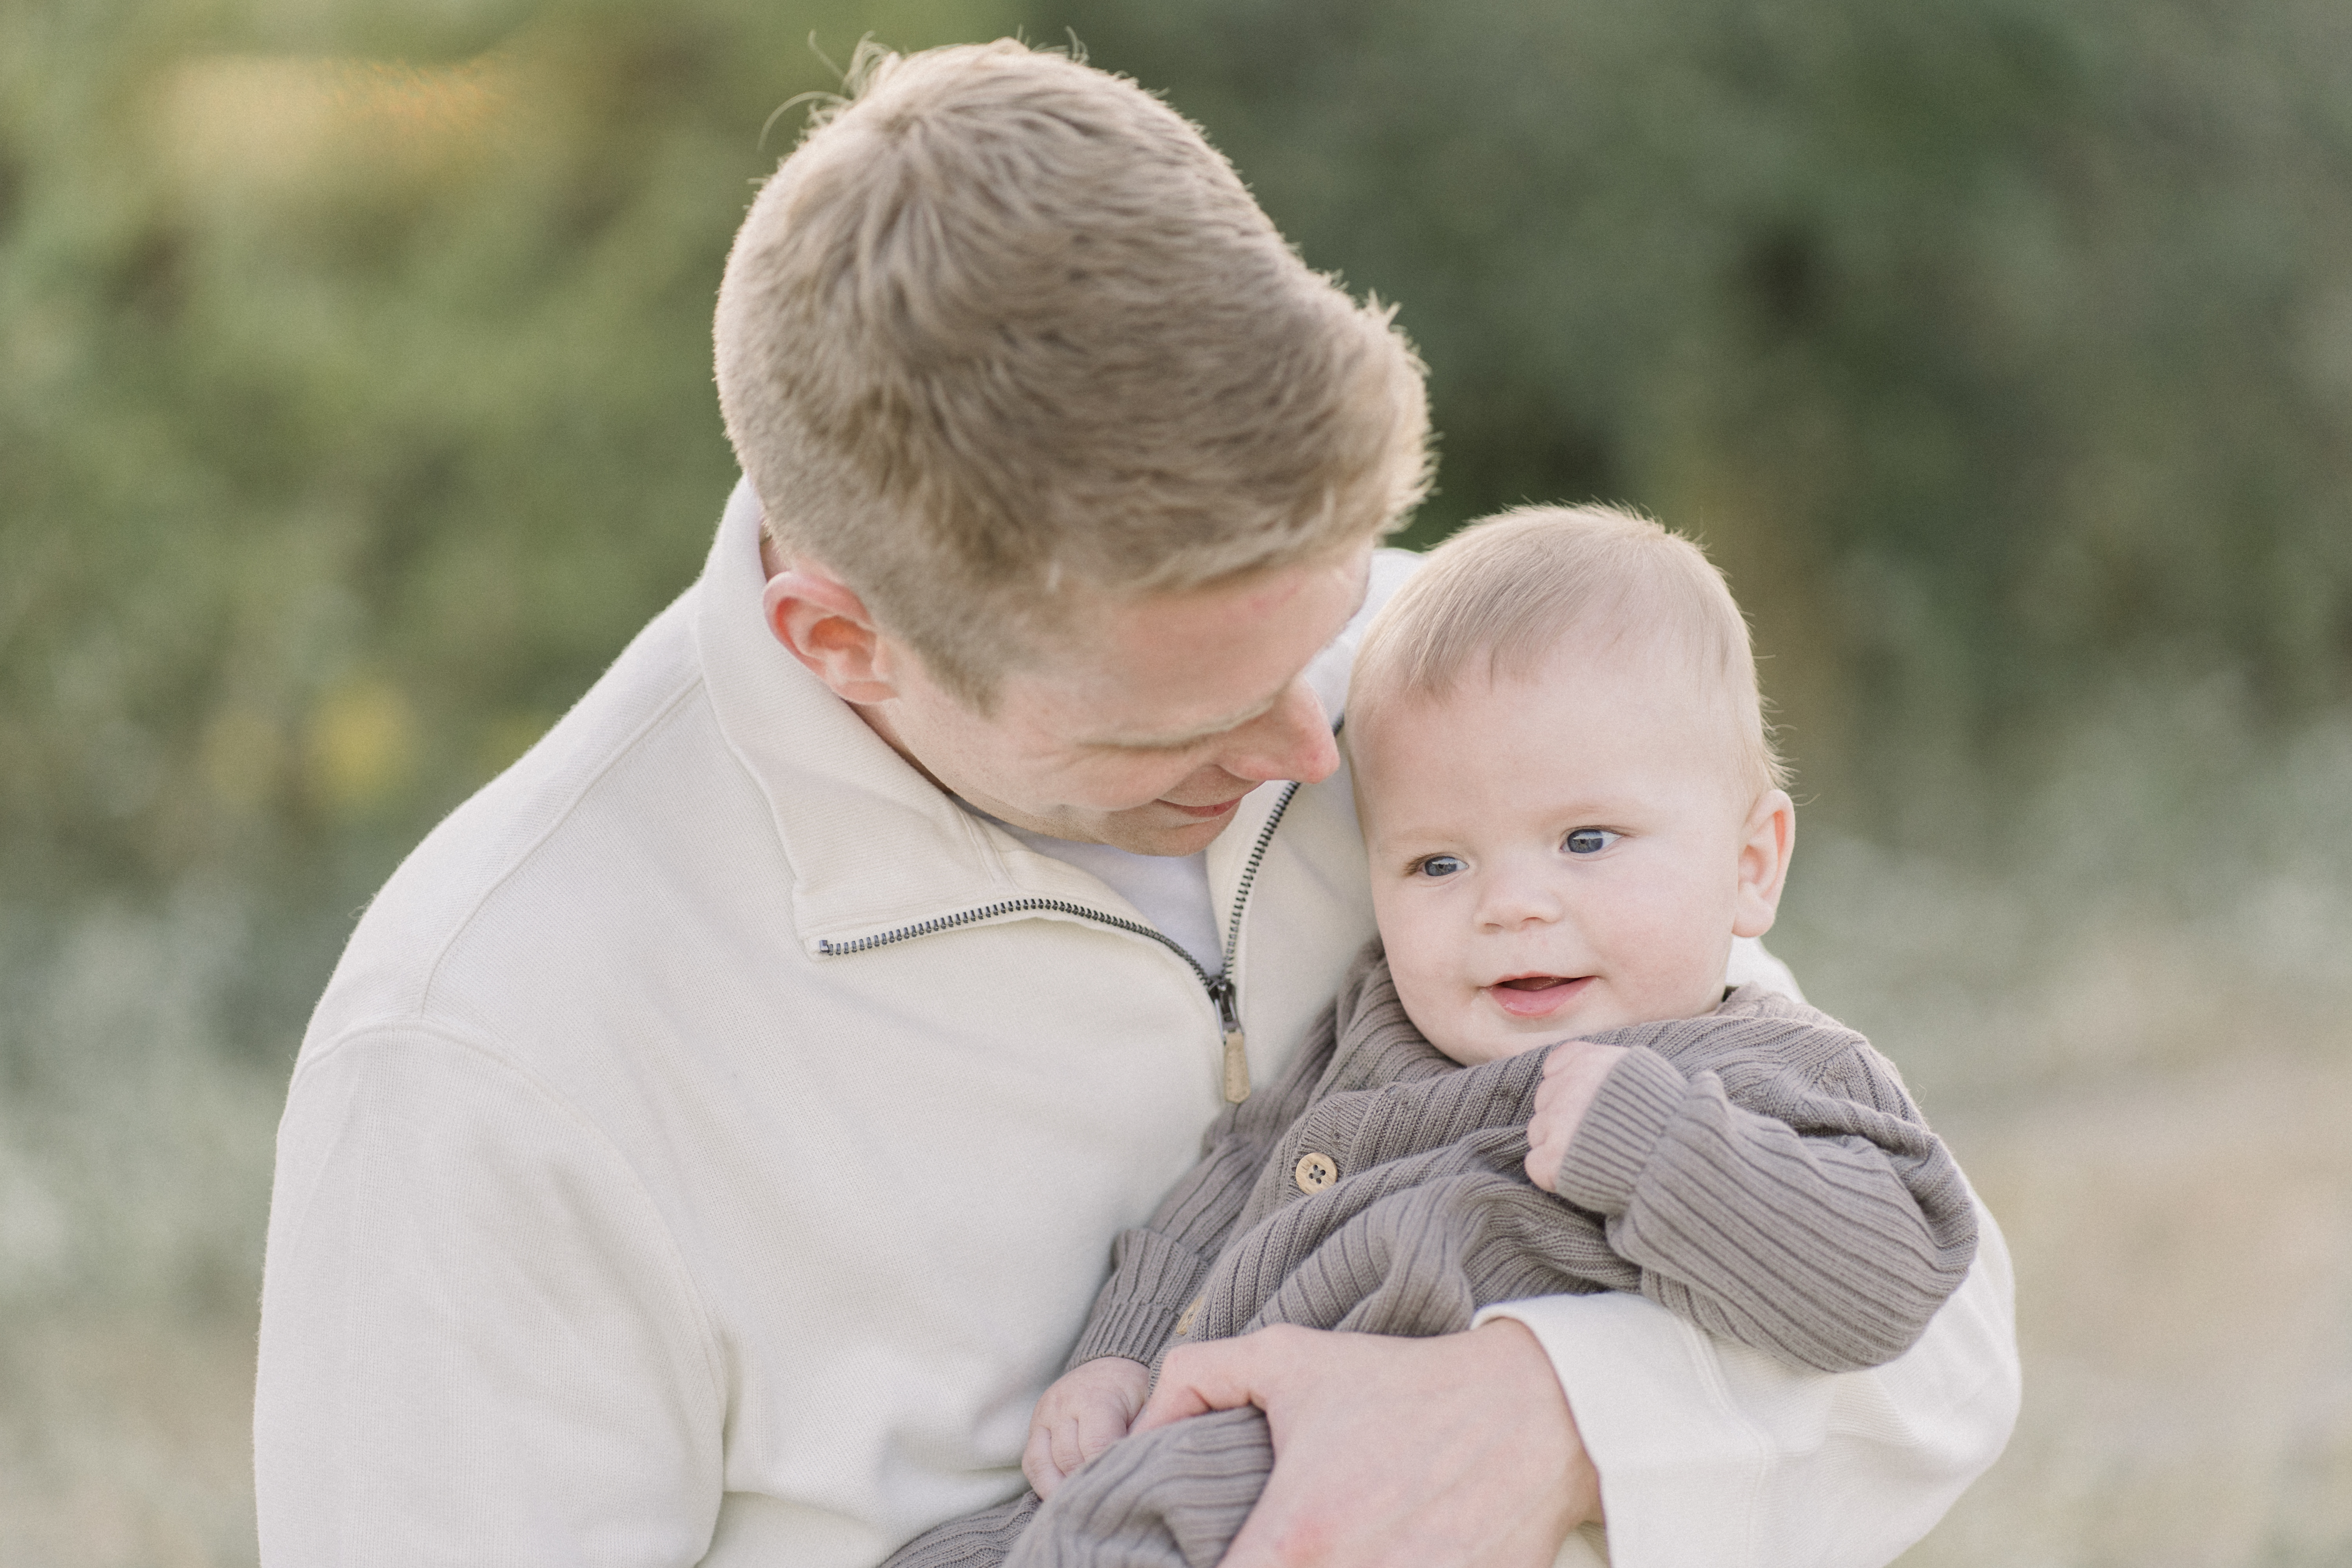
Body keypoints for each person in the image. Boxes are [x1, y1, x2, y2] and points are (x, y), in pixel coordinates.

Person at [252, 40, 2019, 1568]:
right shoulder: (488, 1049)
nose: (1311, 754)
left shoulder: (1435, 700)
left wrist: (1548, 1421)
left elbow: (1935, 1337)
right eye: (1183, 726)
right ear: (846, 642)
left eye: (1323, 628)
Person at [881, 506, 1985, 1568]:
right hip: (1177, 1445)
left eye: (1586, 840)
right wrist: (1117, 1352)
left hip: (1320, 1492)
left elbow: (1899, 1277)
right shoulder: (1383, 1023)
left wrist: (1658, 1152)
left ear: (1752, 864)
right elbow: (1230, 1178)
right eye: (1437, 865)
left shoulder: (1768, 1071)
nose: (1509, 906)